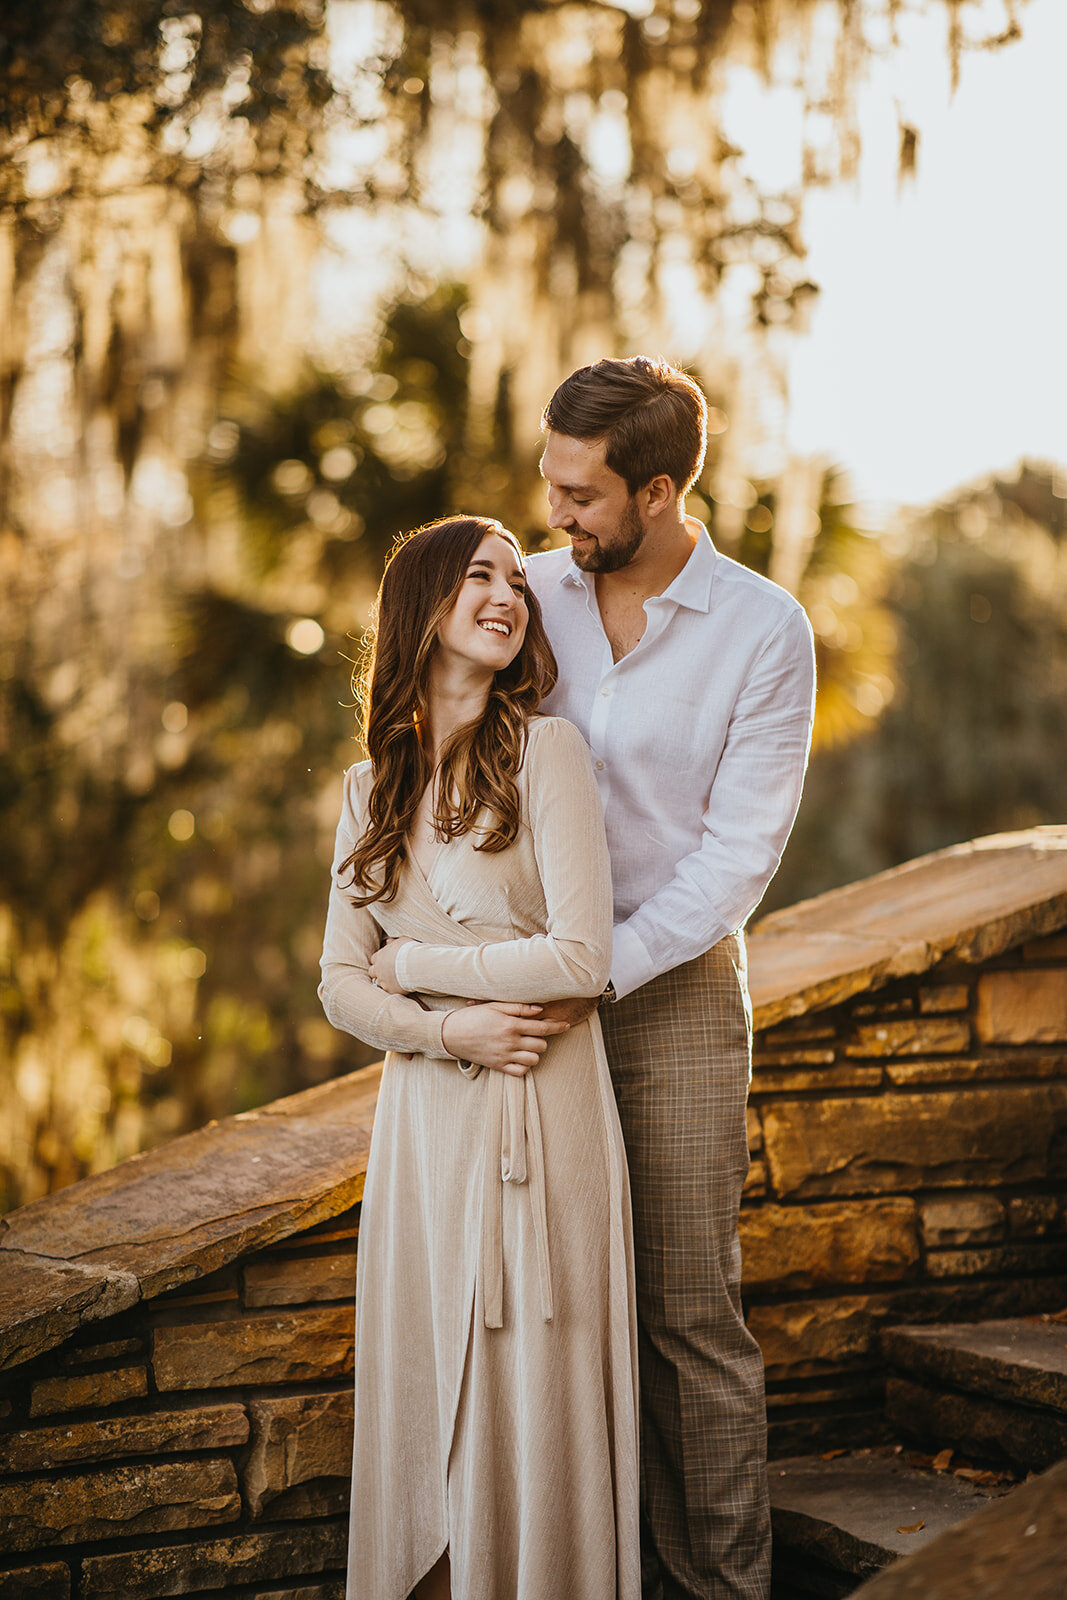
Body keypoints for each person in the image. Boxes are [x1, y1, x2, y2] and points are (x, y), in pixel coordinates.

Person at [519, 357, 817, 1600]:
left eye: (579, 494)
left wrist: (601, 973)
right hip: (526, 988)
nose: (555, 513)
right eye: (547, 482)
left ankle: (721, 1586)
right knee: (554, 1310)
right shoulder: (523, 591)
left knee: (688, 1310)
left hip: (677, 988)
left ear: (654, 491)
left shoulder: (763, 629)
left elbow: (734, 860)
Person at [319, 514, 641, 1600]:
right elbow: (338, 983)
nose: (507, 592)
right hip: (424, 1124)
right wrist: (446, 1023)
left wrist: (409, 962)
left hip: (539, 1108)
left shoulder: (546, 749)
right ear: (422, 606)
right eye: (478, 575)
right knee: (426, 1386)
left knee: (531, 1382)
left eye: (516, 577)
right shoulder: (369, 790)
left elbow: (584, 955)